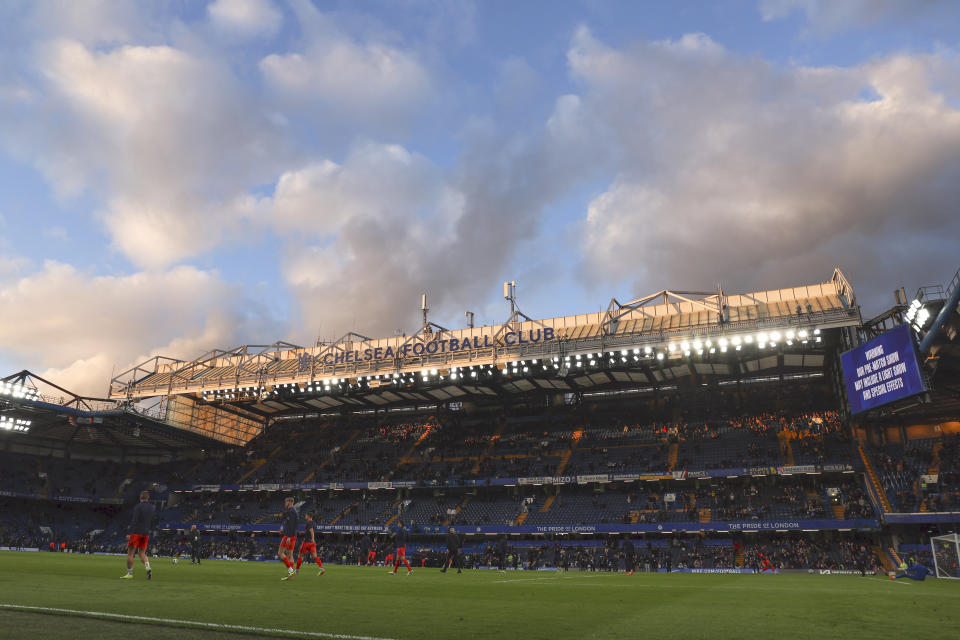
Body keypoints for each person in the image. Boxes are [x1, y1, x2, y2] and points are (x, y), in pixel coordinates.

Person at [121, 491, 155, 580]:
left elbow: (134, 521)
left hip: (136, 532)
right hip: (146, 533)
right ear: (148, 498)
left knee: (130, 554)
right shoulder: (152, 507)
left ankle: (129, 574)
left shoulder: (138, 507)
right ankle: (148, 567)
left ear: (140, 497)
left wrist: (130, 533)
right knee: (142, 553)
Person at [278, 497, 298, 581]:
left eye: (286, 502)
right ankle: (291, 576)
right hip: (292, 535)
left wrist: (289, 536)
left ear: (289, 502)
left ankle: (290, 570)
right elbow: (288, 523)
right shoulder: (291, 511)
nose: (285, 504)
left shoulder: (292, 511)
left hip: (289, 536)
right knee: (290, 555)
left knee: (280, 553)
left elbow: (292, 525)